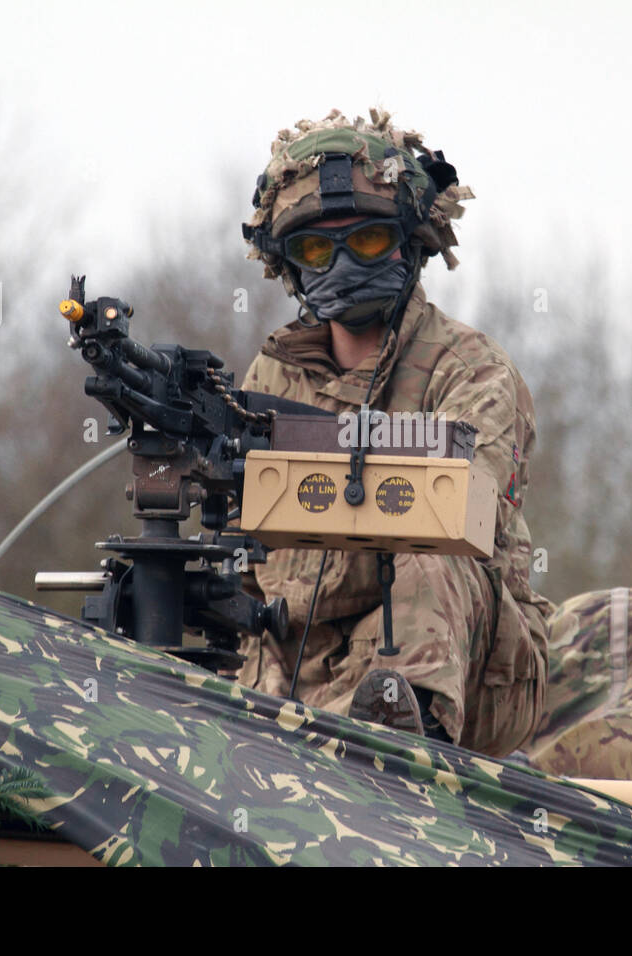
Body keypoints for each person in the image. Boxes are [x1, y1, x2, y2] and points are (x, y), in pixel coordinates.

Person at [237, 108, 552, 757]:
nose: (345, 262)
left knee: (431, 547)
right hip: (296, 667)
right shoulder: (272, 376)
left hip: (467, 668)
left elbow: (464, 506)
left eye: (370, 241)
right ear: (291, 266)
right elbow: (242, 545)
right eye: (318, 249)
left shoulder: (472, 371)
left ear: (409, 243)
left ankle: (399, 746)